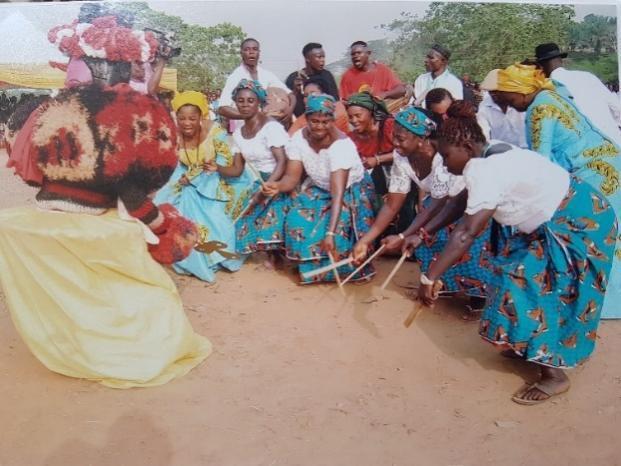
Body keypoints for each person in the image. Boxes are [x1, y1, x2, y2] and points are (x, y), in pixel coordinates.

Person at [0, 15, 210, 388]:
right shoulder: (128, 112)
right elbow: (131, 194)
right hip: (91, 213)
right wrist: (163, 226)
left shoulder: (55, 106)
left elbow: (43, 169)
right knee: (146, 286)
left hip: (47, 207)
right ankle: (126, 344)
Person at [414, 106, 616, 405]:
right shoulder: (490, 153)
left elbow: (466, 233)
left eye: (445, 156)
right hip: (570, 212)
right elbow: (461, 202)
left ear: (467, 147)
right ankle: (527, 343)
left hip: (578, 222)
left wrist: (429, 277)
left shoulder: (486, 168)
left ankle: (554, 376)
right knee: (512, 276)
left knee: (527, 285)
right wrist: (423, 233)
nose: (444, 163)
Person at [480, 64, 621, 319]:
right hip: (607, 164)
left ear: (521, 91)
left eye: (508, 96)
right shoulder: (551, 94)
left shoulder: (540, 109)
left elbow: (541, 164)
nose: (509, 104)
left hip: (591, 172)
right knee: (609, 233)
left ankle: (601, 305)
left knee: (591, 238)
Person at [352, 105, 491, 314]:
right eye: (394, 138)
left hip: (467, 206)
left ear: (421, 138)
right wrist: (366, 240)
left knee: (453, 238)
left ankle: (476, 293)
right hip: (439, 206)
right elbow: (392, 203)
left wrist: (406, 233)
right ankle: (444, 285)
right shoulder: (402, 157)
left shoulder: (443, 157)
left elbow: (441, 203)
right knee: (425, 238)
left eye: (401, 139)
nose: (395, 145)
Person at [263, 94, 376, 284]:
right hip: (320, 188)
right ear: (306, 120)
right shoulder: (299, 139)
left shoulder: (341, 146)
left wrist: (330, 233)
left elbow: (338, 195)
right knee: (296, 217)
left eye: (325, 121)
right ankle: (307, 266)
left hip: (349, 192)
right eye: (314, 121)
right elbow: (291, 178)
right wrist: (277, 186)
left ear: (332, 120)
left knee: (334, 232)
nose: (320, 126)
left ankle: (331, 271)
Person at [154, 91, 252, 282]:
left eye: (192, 118)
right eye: (181, 118)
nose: (187, 123)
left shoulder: (217, 134)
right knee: (162, 206)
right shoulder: (172, 136)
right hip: (185, 180)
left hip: (215, 180)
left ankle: (213, 255)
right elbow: (169, 163)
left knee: (213, 218)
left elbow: (231, 168)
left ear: (201, 117)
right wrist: (184, 178)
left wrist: (198, 177)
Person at [217, 79, 290, 266]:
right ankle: (265, 251)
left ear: (259, 103)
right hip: (258, 183)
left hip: (279, 181)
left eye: (250, 101)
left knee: (272, 217)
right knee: (241, 225)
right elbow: (236, 169)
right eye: (240, 101)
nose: (245, 105)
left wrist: (269, 187)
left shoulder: (271, 127)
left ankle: (277, 254)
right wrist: (215, 167)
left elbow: (282, 161)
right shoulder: (239, 133)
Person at [346, 91, 416, 233]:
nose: (353, 120)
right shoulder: (352, 138)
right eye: (350, 117)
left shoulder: (389, 126)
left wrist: (378, 160)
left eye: (358, 115)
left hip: (404, 174)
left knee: (404, 209)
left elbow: (406, 151)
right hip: (379, 181)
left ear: (371, 114)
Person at [534, 42, 621, 147]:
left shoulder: (548, 90)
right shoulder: (588, 77)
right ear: (561, 60)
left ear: (540, 67)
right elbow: (616, 108)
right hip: (614, 142)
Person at [218, 38, 296, 128]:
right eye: (247, 49)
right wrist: (250, 115)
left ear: (259, 52)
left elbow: (290, 94)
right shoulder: (236, 77)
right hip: (245, 129)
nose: (251, 52)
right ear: (241, 53)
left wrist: (289, 110)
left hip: (267, 126)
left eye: (255, 49)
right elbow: (222, 108)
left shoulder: (266, 74)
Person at [339, 41, 406, 103]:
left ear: (368, 53)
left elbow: (401, 90)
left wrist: (385, 94)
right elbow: (343, 100)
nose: (356, 56)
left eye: (359, 53)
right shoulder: (347, 76)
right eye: (353, 54)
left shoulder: (382, 69)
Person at [285, 42, 339, 117]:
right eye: (319, 57)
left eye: (323, 57)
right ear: (307, 59)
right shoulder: (294, 78)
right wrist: (295, 90)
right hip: (299, 120)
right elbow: (288, 104)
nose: (322, 60)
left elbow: (335, 101)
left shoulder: (327, 76)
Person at [477, 71, 527, 147]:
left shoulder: (519, 101)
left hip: (526, 147)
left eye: (496, 91)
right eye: (490, 91)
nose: (493, 94)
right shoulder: (484, 107)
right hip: (502, 151)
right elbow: (484, 133)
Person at [425, 88, 491, 141]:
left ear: (454, 101)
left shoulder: (476, 121)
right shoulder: (430, 128)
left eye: (448, 112)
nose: (445, 117)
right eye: (439, 115)